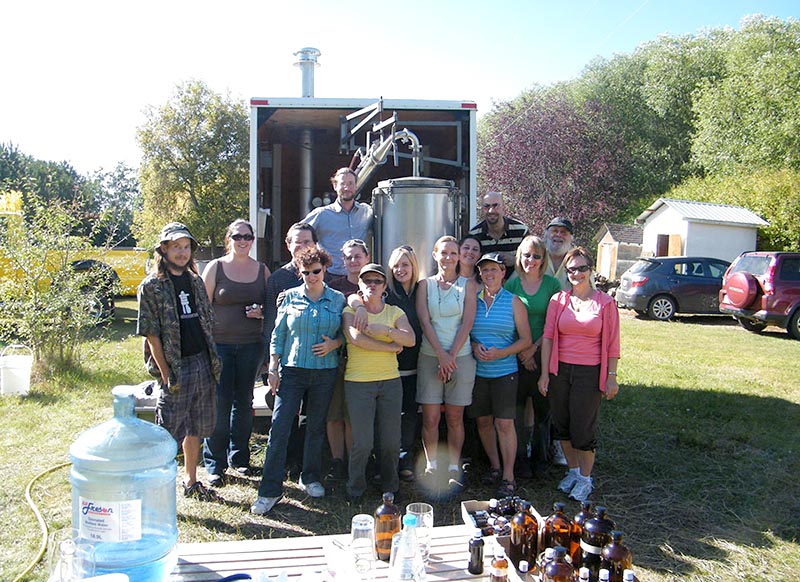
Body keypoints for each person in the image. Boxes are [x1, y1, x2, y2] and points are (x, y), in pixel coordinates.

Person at [251, 247, 345, 515]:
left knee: (315, 427)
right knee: (279, 428)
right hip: (292, 371)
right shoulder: (289, 297)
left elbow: (346, 333)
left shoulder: (338, 299)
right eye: (306, 272)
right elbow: (277, 335)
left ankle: (310, 477)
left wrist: (335, 344)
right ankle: (270, 490)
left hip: (325, 372)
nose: (311, 276)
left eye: (316, 271)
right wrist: (273, 368)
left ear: (325, 269)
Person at [137, 222, 221, 500]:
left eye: (186, 247)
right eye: (176, 247)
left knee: (196, 425)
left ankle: (191, 480)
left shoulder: (195, 280)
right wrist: (165, 372)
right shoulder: (151, 286)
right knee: (168, 430)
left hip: (201, 362)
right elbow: (151, 334)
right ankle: (156, 488)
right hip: (174, 366)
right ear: (164, 249)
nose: (182, 253)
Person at [538, 247, 621, 503]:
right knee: (562, 425)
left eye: (582, 268)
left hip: (589, 372)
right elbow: (549, 338)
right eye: (571, 269)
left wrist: (611, 375)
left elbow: (613, 344)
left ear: (591, 270)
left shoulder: (605, 303)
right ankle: (573, 473)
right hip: (560, 370)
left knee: (582, 428)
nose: (577, 273)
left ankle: (586, 479)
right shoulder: (558, 301)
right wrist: (544, 374)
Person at [202, 219, 270, 486]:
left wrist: (262, 313)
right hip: (220, 345)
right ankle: (214, 464)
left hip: (251, 346)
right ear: (228, 239)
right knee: (220, 402)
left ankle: (239, 459)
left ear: (253, 240)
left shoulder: (262, 270)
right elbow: (204, 308)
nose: (243, 241)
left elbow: (272, 308)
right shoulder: (215, 267)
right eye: (238, 236)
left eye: (248, 237)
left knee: (244, 403)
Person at [342, 263, 415, 502]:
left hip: (390, 382)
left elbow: (411, 339)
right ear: (360, 285)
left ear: (384, 286)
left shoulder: (394, 312)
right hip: (359, 382)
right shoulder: (350, 311)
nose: (371, 285)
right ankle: (355, 488)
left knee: (391, 441)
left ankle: (390, 487)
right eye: (367, 281)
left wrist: (386, 330)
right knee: (362, 442)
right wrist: (391, 346)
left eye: (377, 281)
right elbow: (355, 339)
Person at [351, 245, 423, 481]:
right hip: (387, 366)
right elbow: (354, 296)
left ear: (414, 266)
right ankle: (379, 467)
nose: (401, 269)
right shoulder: (385, 293)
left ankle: (403, 461)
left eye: (406, 264)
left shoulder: (421, 289)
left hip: (415, 360)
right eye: (396, 265)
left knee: (409, 415)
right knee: (384, 420)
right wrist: (359, 306)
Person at [415, 235, 477, 493]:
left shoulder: (469, 285)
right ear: (434, 255)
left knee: (455, 416)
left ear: (459, 257)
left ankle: (453, 465)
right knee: (430, 418)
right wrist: (441, 355)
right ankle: (431, 463)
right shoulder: (424, 285)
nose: (449, 258)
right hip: (431, 355)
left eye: (453, 253)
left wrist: (450, 356)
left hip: (460, 357)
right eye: (444, 253)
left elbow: (468, 322)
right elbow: (424, 320)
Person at [469, 253, 531, 497]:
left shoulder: (514, 302)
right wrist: (474, 346)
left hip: (505, 371)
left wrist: (502, 353)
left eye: (494, 269)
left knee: (504, 423)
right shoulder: (473, 300)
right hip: (478, 372)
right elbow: (467, 331)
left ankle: (508, 475)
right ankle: (494, 466)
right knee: (483, 422)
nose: (489, 274)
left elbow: (526, 339)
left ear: (503, 272)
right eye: (485, 270)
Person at [504, 236, 562, 478]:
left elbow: (554, 323)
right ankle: (519, 461)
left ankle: (540, 460)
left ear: (543, 259)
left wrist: (534, 349)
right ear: (520, 257)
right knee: (516, 413)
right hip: (516, 358)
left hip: (543, 356)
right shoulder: (512, 285)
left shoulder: (551, 285)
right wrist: (521, 352)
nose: (531, 260)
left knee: (542, 413)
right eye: (527, 255)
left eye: (536, 256)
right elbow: (506, 322)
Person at [325, 238, 371, 481]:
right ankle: (337, 462)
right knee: (334, 414)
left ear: (367, 257)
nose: (353, 261)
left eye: (358, 256)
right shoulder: (332, 286)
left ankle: (355, 465)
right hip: (335, 359)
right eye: (348, 257)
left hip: (364, 362)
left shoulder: (375, 285)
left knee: (352, 416)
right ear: (342, 261)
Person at [303, 167, 374, 276]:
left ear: (356, 186)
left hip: (359, 277)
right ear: (335, 186)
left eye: (350, 183)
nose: (347, 188)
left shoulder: (366, 211)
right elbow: (299, 234)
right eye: (342, 183)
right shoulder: (321, 214)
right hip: (331, 277)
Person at [467, 192, 529, 275]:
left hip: (516, 284)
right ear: (482, 209)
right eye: (486, 206)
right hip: (485, 283)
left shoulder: (521, 231)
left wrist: (515, 260)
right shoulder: (474, 234)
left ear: (504, 207)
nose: (491, 210)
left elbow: (534, 259)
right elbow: (468, 263)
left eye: (496, 205)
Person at [543, 217, 575, 290]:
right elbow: (513, 286)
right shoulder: (534, 258)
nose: (558, 235)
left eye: (563, 232)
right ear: (546, 235)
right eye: (554, 231)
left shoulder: (579, 262)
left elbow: (590, 292)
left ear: (571, 238)